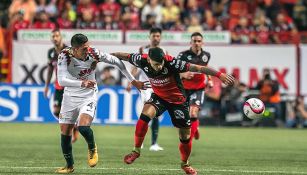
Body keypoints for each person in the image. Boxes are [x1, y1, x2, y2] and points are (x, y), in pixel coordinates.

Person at [112, 47, 235, 175]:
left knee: (185, 137)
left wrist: (220, 75)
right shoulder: (141, 60)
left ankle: (185, 164)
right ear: (148, 59)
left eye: (161, 63)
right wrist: (102, 56)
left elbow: (198, 68)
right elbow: (123, 56)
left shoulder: (172, 63)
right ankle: (136, 151)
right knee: (144, 116)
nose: (159, 67)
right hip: (159, 97)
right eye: (156, 64)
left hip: (178, 101)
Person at [55, 33, 144, 173]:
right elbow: (61, 80)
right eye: (84, 48)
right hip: (70, 95)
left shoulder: (94, 53)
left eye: (88, 46)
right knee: (65, 132)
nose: (88, 49)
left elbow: (117, 62)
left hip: (88, 95)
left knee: (83, 127)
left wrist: (133, 81)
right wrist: (82, 83)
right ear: (75, 49)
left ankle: (92, 148)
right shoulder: (64, 55)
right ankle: (69, 166)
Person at [126, 27, 166, 151]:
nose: (156, 38)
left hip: (158, 86)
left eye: (158, 36)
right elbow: (135, 66)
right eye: (154, 36)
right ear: (149, 37)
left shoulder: (164, 51)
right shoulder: (143, 49)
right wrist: (131, 82)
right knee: (147, 113)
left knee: (154, 115)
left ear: (161, 37)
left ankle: (154, 143)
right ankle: (141, 141)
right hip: (145, 85)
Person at [44, 29, 81, 143]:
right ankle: (73, 127)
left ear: (61, 37)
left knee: (68, 111)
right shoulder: (51, 52)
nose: (55, 38)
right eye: (53, 36)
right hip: (58, 85)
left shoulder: (68, 50)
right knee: (56, 111)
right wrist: (46, 86)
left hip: (69, 85)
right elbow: (50, 69)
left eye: (57, 36)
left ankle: (70, 131)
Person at [176, 32, 213, 140]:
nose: (196, 43)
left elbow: (206, 68)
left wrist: (210, 79)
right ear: (190, 42)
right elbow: (174, 70)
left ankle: (189, 140)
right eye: (194, 41)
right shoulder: (182, 55)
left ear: (202, 43)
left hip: (198, 88)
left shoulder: (206, 55)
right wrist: (183, 74)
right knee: (184, 117)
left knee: (193, 113)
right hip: (184, 89)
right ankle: (195, 129)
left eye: (199, 41)